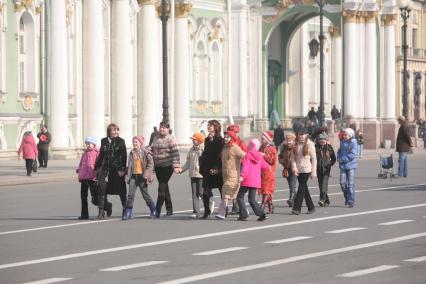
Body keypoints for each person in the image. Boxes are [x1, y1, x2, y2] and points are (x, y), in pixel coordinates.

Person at [94, 123, 127, 219]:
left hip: (116, 169)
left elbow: (124, 156)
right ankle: (101, 212)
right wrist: (96, 167)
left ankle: (125, 209)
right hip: (105, 169)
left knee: (121, 190)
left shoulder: (121, 141)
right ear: (109, 131)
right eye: (113, 130)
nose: (116, 132)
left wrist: (122, 169)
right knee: (101, 188)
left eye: (117, 130)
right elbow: (101, 155)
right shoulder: (104, 141)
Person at [151, 121, 180, 217]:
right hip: (158, 166)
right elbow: (152, 149)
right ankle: (169, 209)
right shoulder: (155, 137)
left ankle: (157, 210)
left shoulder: (171, 139)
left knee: (161, 188)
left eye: (164, 128)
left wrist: (176, 166)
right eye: (161, 127)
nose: (162, 129)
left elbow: (175, 153)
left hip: (167, 166)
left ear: (168, 129)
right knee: (165, 187)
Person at [123, 136, 155, 220]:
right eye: (133, 142)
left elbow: (151, 164)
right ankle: (128, 211)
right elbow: (129, 165)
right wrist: (127, 175)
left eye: (136, 142)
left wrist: (146, 174)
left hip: (142, 176)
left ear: (140, 143)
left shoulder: (145, 152)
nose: (134, 144)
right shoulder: (131, 153)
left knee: (145, 195)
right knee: (130, 195)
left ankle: (153, 209)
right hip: (133, 176)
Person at [215, 131, 246, 220]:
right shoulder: (224, 148)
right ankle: (244, 211)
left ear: (232, 138)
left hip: (233, 175)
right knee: (233, 196)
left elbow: (244, 156)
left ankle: (221, 213)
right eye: (225, 137)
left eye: (228, 137)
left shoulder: (235, 147)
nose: (225, 138)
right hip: (225, 175)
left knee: (225, 193)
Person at [237, 139, 269, 221]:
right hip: (256, 181)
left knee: (240, 196)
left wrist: (242, 176)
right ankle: (262, 214)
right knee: (252, 199)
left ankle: (243, 215)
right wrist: (269, 167)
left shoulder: (248, 155)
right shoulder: (259, 156)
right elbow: (265, 166)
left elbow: (246, 167)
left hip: (247, 180)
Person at [199, 120, 224, 219]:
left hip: (217, 169)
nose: (209, 127)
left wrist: (216, 168)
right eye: (208, 125)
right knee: (205, 191)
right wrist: (202, 166)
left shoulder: (220, 140)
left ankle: (223, 210)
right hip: (207, 169)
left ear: (216, 127)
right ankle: (206, 212)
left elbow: (219, 155)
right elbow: (205, 153)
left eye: (211, 125)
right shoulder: (206, 139)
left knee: (222, 191)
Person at [290, 128, 316, 215]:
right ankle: (311, 207)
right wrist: (294, 168)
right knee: (304, 189)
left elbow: (314, 159)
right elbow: (293, 158)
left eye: (302, 134)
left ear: (306, 135)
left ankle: (297, 208)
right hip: (298, 170)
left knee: (301, 188)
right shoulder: (296, 144)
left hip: (307, 170)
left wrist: (313, 172)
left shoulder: (310, 144)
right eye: (299, 134)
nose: (301, 136)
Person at [180, 132, 205, 218]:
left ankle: (209, 204)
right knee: (194, 193)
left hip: (201, 175)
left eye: (194, 139)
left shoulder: (203, 150)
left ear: (199, 140)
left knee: (201, 192)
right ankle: (196, 211)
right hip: (192, 174)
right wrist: (181, 170)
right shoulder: (191, 150)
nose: (193, 141)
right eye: (192, 139)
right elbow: (188, 162)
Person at [76, 136, 99, 220]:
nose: (88, 145)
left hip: (92, 178)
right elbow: (81, 163)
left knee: (95, 198)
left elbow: (99, 164)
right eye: (86, 144)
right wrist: (79, 170)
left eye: (89, 144)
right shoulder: (84, 153)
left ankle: (106, 206)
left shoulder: (97, 153)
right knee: (83, 197)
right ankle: (84, 214)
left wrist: (98, 173)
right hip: (84, 178)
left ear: (94, 144)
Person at [226, 124, 246, 214]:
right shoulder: (226, 142)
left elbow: (245, 155)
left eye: (237, 132)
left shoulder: (241, 143)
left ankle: (236, 206)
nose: (236, 134)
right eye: (234, 132)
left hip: (239, 167)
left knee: (236, 186)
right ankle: (233, 206)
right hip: (228, 167)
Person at [337, 128, 358, 208]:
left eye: (346, 135)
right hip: (343, 166)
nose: (344, 136)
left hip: (351, 166)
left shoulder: (354, 143)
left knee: (350, 184)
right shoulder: (342, 142)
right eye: (344, 134)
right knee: (342, 183)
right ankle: (347, 197)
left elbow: (353, 154)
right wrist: (338, 157)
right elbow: (339, 151)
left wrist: (342, 159)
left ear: (350, 135)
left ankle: (351, 201)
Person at [259, 131, 278, 214]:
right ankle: (271, 207)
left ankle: (262, 206)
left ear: (267, 140)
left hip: (269, 171)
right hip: (262, 171)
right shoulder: (261, 147)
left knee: (266, 190)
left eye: (263, 139)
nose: (262, 140)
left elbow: (273, 161)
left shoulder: (272, 148)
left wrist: (264, 155)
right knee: (265, 190)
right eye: (261, 138)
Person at [315, 133, 336, 207]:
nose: (322, 141)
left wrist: (330, 164)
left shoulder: (329, 148)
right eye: (320, 140)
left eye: (323, 140)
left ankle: (322, 200)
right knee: (321, 185)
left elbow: (333, 158)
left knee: (324, 184)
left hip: (326, 169)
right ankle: (327, 200)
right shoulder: (316, 148)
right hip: (318, 169)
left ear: (326, 140)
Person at [278, 132, 298, 207]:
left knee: (293, 184)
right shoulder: (284, 148)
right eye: (287, 140)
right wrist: (282, 161)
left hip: (294, 168)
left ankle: (291, 199)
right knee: (290, 185)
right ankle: (294, 200)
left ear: (293, 140)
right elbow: (280, 157)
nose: (289, 142)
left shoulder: (296, 147)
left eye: (290, 140)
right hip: (286, 169)